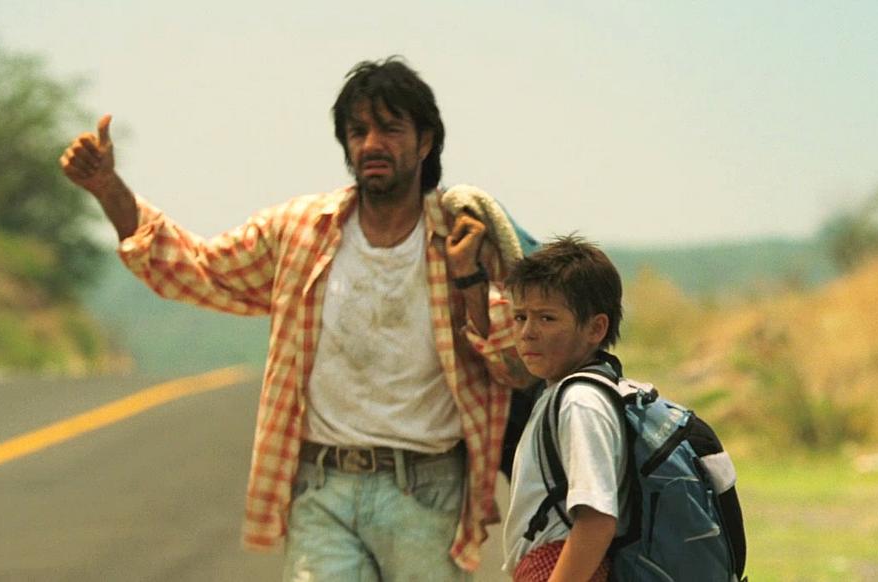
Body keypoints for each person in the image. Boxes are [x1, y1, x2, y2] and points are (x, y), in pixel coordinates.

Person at [60, 57, 533, 580]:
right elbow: (196, 268)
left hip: (428, 491)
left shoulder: (464, 234)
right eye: (358, 131)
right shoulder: (301, 230)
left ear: (425, 142)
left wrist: (469, 278)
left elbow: (517, 365)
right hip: (322, 488)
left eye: (390, 128)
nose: (372, 143)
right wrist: (108, 188)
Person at [501, 235, 625, 582]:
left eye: (547, 318)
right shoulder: (560, 393)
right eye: (520, 317)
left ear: (596, 328)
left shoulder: (580, 402)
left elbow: (597, 521)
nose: (527, 332)